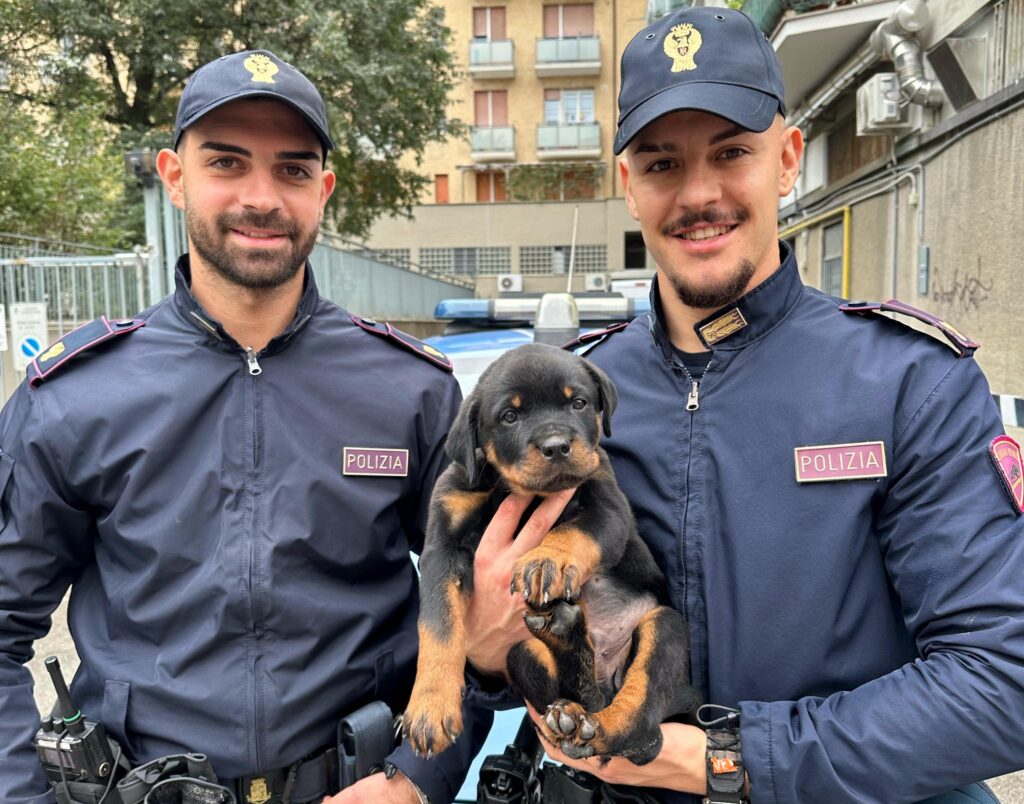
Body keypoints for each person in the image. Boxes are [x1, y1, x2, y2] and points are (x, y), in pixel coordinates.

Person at [463, 7, 1024, 803]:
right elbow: (498, 646)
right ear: (628, 184)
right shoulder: (579, 401)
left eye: (732, 153)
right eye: (661, 164)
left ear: (788, 158)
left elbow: (1001, 683)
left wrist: (727, 759)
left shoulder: (908, 384)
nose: (699, 194)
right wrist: (487, 658)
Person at [0, 50, 493, 804]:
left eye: (293, 170)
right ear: (174, 176)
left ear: (323, 190)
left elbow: (492, 607)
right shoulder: (76, 396)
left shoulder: (408, 389)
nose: (262, 198)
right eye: (227, 163)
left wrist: (420, 780)